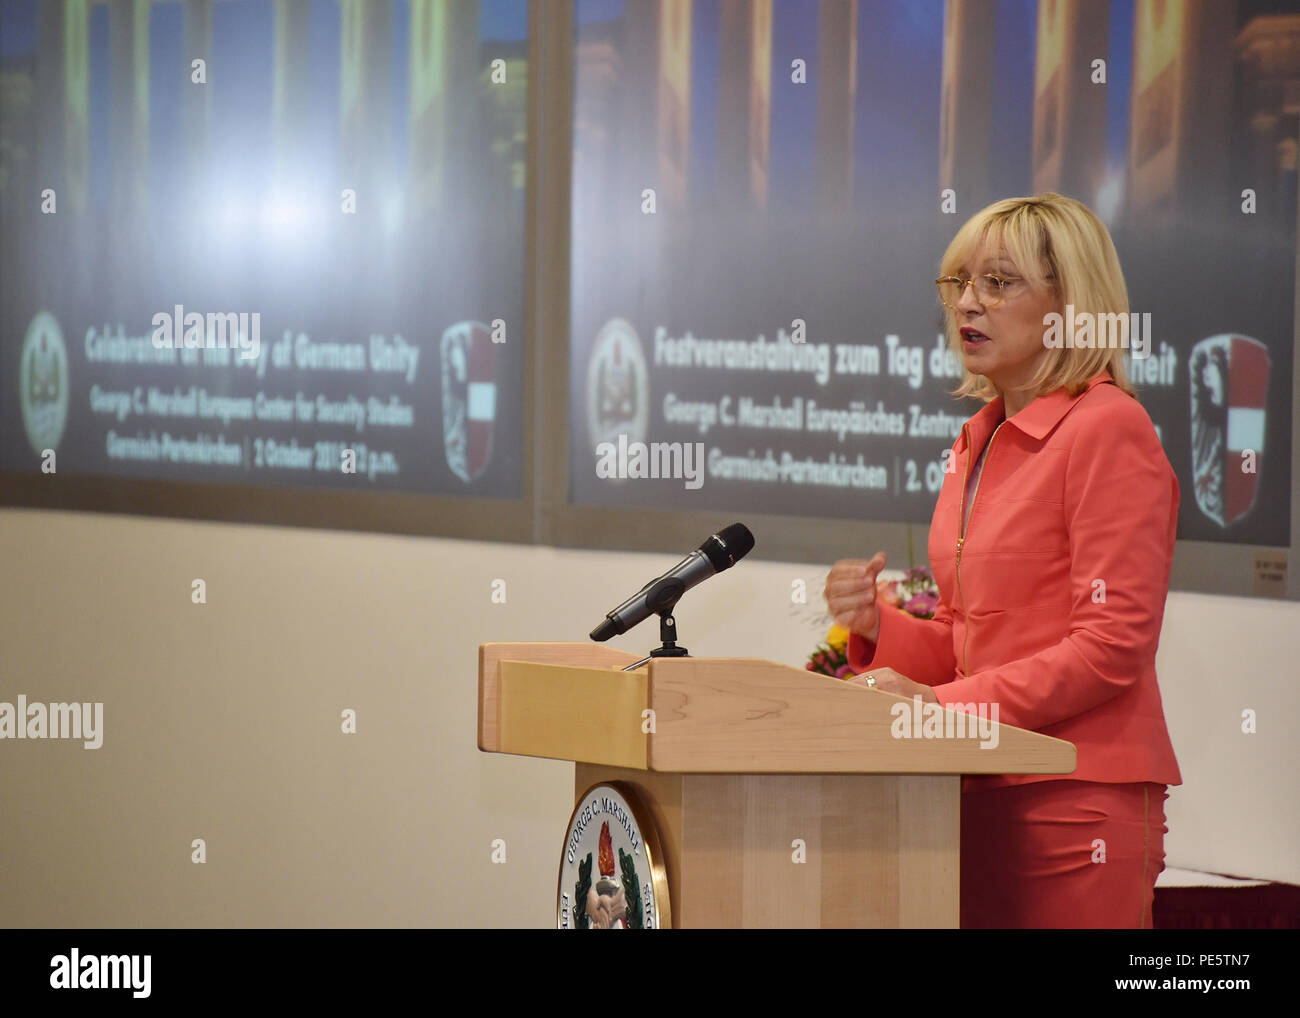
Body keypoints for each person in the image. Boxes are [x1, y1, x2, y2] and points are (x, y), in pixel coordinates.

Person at [823, 192, 1181, 928]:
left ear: (1069, 304)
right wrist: (879, 627)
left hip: (1075, 804)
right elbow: (965, 636)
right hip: (971, 791)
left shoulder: (1109, 428)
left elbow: (1110, 648)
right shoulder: (979, 440)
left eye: (999, 282)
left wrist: (940, 711)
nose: (968, 305)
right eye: (958, 284)